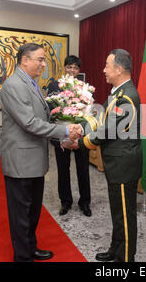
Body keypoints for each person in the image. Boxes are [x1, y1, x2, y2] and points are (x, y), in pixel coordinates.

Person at [0, 43, 81, 262]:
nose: (44, 65)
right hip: (20, 162)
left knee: (32, 211)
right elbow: (29, 123)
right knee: (21, 215)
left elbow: (43, 118)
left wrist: (65, 131)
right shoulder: (14, 85)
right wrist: (65, 130)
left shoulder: (31, 83)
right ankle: (23, 257)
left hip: (34, 160)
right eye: (40, 60)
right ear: (24, 60)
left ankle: (30, 247)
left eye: (44, 60)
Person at [70, 49, 142, 262]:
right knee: (118, 214)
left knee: (125, 217)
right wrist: (80, 127)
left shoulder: (127, 96)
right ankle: (116, 250)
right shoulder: (118, 92)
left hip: (123, 165)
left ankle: (125, 259)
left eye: (107, 66)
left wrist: (81, 142)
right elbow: (99, 119)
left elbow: (107, 130)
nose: (103, 70)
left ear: (119, 69)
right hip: (116, 164)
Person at [47, 55, 91, 217]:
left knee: (83, 170)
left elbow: (88, 111)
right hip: (61, 135)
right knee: (63, 170)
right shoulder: (55, 85)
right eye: (69, 67)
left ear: (79, 70)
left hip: (80, 135)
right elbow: (50, 109)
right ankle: (65, 202)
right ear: (64, 68)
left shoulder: (84, 87)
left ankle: (85, 202)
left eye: (75, 67)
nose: (72, 70)